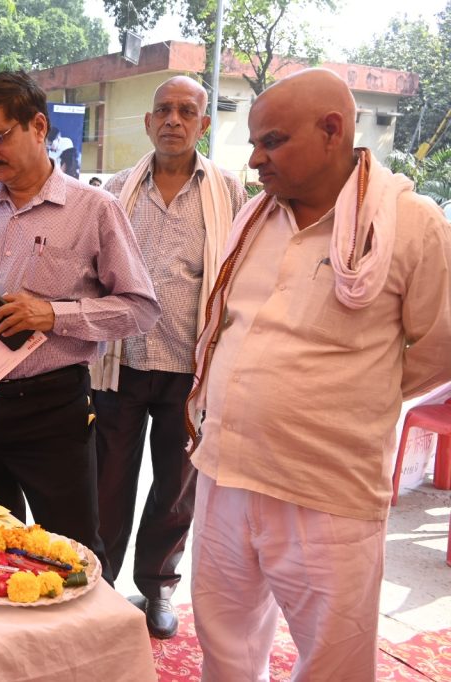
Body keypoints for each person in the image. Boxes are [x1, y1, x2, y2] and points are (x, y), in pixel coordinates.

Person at [186, 68, 451, 680]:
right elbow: (226, 328)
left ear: (333, 130)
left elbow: (439, 349)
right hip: (225, 472)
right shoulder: (255, 219)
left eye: (272, 141)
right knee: (223, 642)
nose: (255, 159)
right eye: (254, 143)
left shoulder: (411, 224)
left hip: (326, 488)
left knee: (333, 660)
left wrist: (346, 399)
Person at [0, 71, 160, 567]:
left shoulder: (94, 209)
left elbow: (141, 308)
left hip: (51, 412)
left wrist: (52, 314)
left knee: (71, 554)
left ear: (38, 127)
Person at [91, 75, 247, 639]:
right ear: (149, 121)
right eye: (163, 110)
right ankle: (100, 584)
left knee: (176, 487)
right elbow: (95, 270)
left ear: (203, 123)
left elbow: (239, 277)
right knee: (108, 482)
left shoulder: (228, 192)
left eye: (186, 111)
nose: (173, 120)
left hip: (189, 369)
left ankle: (157, 584)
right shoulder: (116, 190)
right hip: (121, 363)